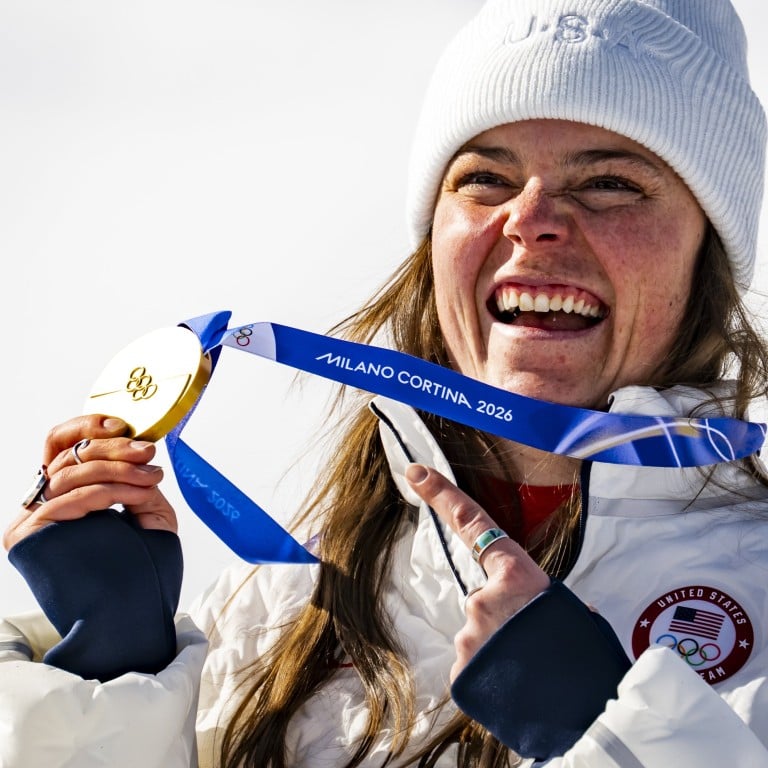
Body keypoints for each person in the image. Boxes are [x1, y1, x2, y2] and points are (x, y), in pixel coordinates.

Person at [3, 0, 768, 765]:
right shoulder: (276, 606)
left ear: (707, 252)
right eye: (485, 179)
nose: (530, 219)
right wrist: (112, 673)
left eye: (609, 182)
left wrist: (615, 738)